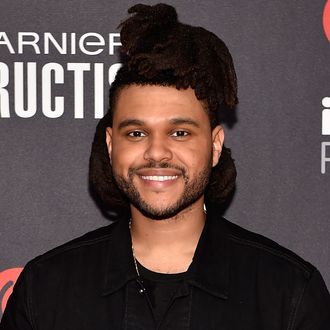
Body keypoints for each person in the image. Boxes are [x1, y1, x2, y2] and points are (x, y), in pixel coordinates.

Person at [1, 3, 330, 330]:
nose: (157, 152)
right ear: (111, 145)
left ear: (214, 146)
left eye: (180, 132)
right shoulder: (45, 290)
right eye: (137, 133)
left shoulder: (288, 293)